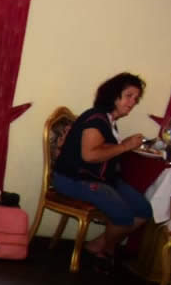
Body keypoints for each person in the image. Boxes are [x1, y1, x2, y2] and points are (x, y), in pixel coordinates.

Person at [53, 72, 152, 267]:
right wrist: (125, 146)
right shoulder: (96, 118)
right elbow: (89, 155)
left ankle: (100, 244)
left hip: (100, 177)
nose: (132, 102)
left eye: (136, 98)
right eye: (129, 96)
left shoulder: (109, 120)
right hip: (73, 179)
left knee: (143, 209)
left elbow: (102, 149)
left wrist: (124, 144)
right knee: (123, 215)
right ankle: (106, 250)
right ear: (114, 95)